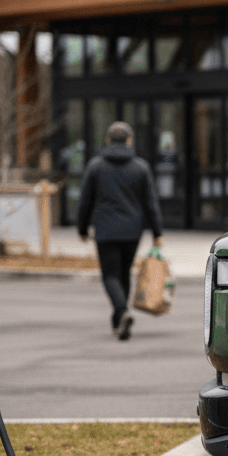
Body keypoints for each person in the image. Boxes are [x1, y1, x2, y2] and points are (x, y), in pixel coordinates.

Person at [77, 121, 163, 340]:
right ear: (129, 140)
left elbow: (85, 200)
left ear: (107, 141)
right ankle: (118, 322)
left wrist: (82, 227)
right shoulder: (141, 167)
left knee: (110, 275)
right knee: (123, 273)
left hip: (105, 230)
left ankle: (121, 312)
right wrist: (157, 232)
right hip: (133, 231)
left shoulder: (95, 166)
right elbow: (150, 202)